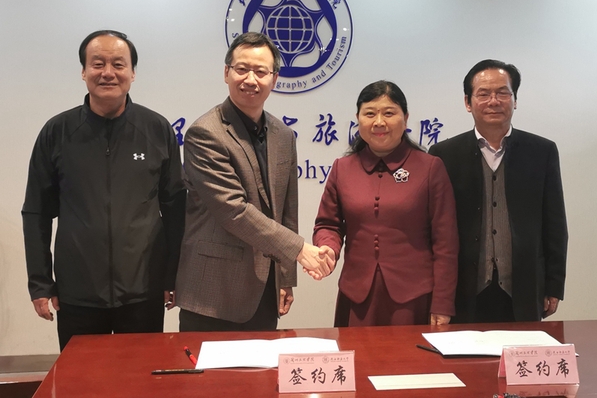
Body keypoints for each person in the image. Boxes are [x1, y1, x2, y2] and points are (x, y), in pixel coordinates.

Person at [22, 30, 186, 350]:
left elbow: (176, 208)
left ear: (132, 73)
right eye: (98, 64)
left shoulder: (156, 129)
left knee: (141, 376)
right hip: (77, 294)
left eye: (118, 64)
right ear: (83, 72)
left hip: (143, 291)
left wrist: (174, 275)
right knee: (82, 377)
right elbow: (36, 212)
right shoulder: (57, 132)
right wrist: (40, 283)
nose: (108, 72)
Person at [176, 32, 334, 332]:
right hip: (213, 292)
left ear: (274, 79)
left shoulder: (283, 135)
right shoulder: (205, 133)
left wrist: (285, 277)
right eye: (242, 69)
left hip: (265, 289)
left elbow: (287, 210)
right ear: (226, 72)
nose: (251, 79)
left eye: (261, 72)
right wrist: (300, 250)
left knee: (263, 363)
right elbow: (232, 210)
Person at [429, 59, 568, 323]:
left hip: (524, 286)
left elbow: (555, 224)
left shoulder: (542, 151)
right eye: (483, 94)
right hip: (464, 288)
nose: (493, 101)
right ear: (468, 102)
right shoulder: (444, 154)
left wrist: (554, 285)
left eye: (503, 93)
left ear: (515, 100)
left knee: (522, 349)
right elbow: (435, 229)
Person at [313, 80, 459, 327]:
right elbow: (328, 224)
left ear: (406, 118)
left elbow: (446, 243)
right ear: (358, 119)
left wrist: (442, 303)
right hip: (356, 295)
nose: (379, 122)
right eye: (370, 114)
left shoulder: (430, 167)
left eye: (389, 113)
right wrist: (328, 247)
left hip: (413, 298)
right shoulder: (342, 168)